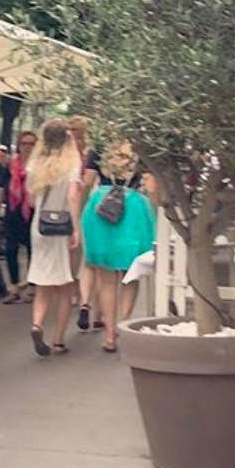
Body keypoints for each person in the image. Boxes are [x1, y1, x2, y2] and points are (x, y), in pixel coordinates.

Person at [81, 140, 154, 352]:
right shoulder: (143, 146)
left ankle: (110, 334)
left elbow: (87, 181)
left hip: (101, 206)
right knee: (130, 273)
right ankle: (125, 323)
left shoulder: (98, 146)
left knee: (105, 278)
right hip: (134, 208)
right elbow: (151, 185)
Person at [25, 119, 85, 357]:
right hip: (62, 228)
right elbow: (72, 196)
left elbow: (30, 198)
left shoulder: (35, 164)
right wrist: (76, 227)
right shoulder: (72, 163)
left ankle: (37, 324)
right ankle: (58, 340)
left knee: (42, 284)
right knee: (64, 286)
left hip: (39, 227)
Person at [67, 115, 103, 331]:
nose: (73, 133)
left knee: (81, 255)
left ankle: (81, 299)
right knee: (94, 260)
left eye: (75, 129)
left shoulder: (73, 153)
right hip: (94, 206)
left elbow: (84, 183)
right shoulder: (91, 152)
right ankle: (95, 309)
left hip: (79, 204)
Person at [0, 130, 37, 303]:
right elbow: (1, 188)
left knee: (32, 250)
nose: (27, 147)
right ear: (19, 146)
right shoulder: (10, 166)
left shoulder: (39, 166)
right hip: (13, 213)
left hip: (32, 213)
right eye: (24, 143)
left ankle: (33, 286)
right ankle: (13, 287)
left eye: (31, 144)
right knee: (10, 249)